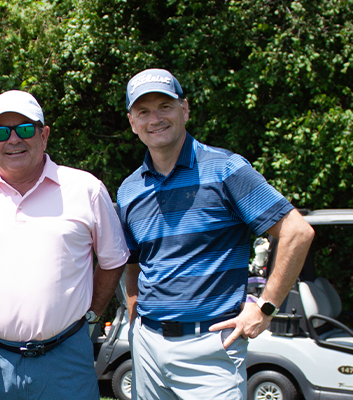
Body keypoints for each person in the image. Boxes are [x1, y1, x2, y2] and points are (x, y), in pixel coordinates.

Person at [116, 68, 316, 400]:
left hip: (210, 346)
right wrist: (137, 321)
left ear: (185, 109)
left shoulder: (226, 170)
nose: (155, 119)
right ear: (132, 122)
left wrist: (265, 307)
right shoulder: (129, 190)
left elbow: (297, 232)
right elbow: (135, 263)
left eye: (165, 106)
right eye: (143, 111)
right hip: (147, 346)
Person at [0, 90, 131, 399]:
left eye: (25, 129)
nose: (13, 139)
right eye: (1, 132)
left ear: (44, 135)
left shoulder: (85, 189)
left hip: (66, 358)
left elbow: (113, 260)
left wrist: (91, 315)